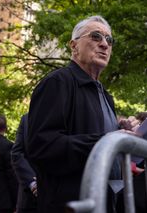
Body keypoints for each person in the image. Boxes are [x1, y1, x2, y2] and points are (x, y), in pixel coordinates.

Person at [26, 15, 139, 212]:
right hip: (70, 204)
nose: (104, 44)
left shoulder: (106, 95)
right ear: (74, 45)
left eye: (109, 40)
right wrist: (105, 142)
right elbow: (41, 146)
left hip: (106, 201)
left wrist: (120, 131)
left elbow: (95, 132)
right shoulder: (57, 82)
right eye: (96, 36)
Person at [11, 114, 37, 213]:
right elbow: (16, 154)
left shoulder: (65, 114)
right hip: (29, 199)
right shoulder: (26, 119)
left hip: (57, 198)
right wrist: (33, 183)